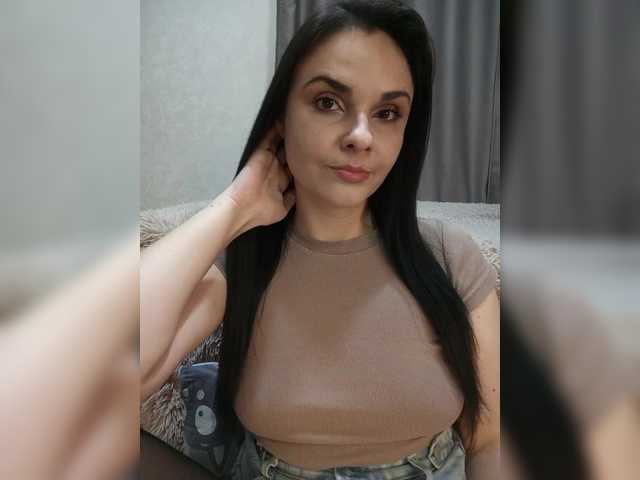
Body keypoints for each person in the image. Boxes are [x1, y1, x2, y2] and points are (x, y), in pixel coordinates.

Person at [140, 1, 499, 479]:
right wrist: (234, 206)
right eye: (328, 102)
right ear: (281, 118)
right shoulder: (242, 260)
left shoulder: (451, 257)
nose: (361, 136)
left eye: (388, 113)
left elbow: (487, 441)